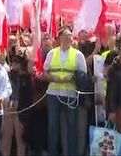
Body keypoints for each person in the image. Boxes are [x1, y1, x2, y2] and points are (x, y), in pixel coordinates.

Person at [43, 28, 87, 156]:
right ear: (60, 37)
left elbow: (83, 75)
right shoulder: (52, 53)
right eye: (67, 35)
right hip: (53, 94)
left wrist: (72, 78)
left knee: (72, 127)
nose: (70, 38)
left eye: (71, 36)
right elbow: (44, 73)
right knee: (53, 128)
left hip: (70, 95)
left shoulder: (78, 55)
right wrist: (52, 78)